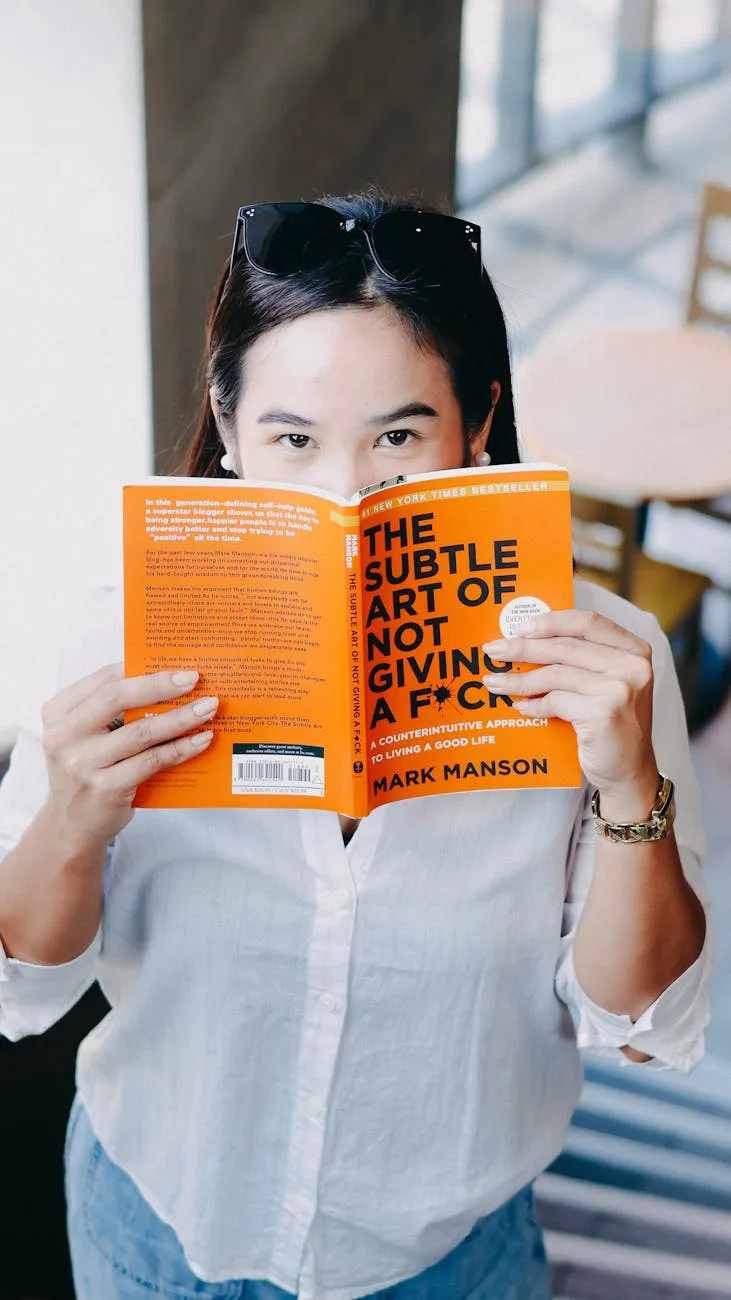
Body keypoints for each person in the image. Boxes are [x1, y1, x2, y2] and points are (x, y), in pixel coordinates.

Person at [0, 194, 711, 1300]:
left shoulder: (603, 668)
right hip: (155, 1229)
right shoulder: (116, 640)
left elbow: (639, 1020)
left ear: (474, 425)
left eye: (395, 437)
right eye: (292, 438)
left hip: (444, 1258)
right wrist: (70, 823)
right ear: (227, 431)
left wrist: (627, 788)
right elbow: (21, 991)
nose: (344, 495)